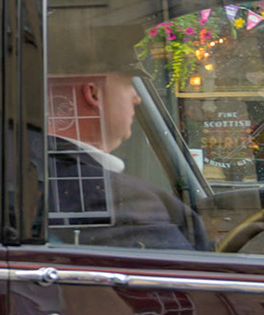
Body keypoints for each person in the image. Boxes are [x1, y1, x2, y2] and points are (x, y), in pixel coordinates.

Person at [46, 71, 207, 251]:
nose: (137, 98)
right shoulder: (119, 199)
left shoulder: (33, 167)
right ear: (94, 94)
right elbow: (180, 272)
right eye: (129, 84)